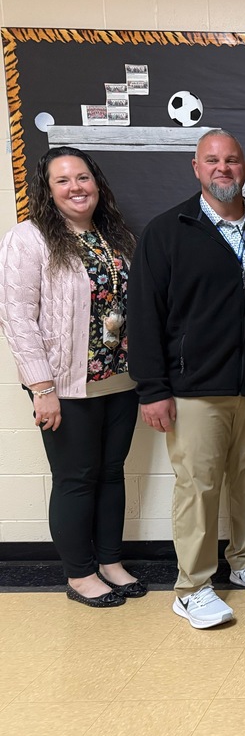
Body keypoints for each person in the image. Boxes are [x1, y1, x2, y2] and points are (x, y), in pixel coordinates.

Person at [129, 130, 245, 630]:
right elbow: (144, 315)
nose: (223, 169)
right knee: (197, 485)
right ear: (196, 168)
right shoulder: (168, 230)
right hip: (194, 389)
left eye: (232, 160)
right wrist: (152, 388)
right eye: (212, 160)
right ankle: (192, 586)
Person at [0, 147, 143, 607]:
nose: (76, 187)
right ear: (47, 189)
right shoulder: (29, 239)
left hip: (119, 380)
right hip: (64, 385)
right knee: (76, 478)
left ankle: (110, 562)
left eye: (83, 177)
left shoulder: (113, 236)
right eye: (63, 180)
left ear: (96, 183)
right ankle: (80, 574)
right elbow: (17, 318)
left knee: (111, 474)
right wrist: (42, 389)